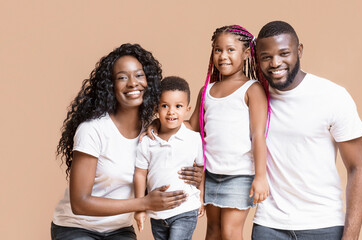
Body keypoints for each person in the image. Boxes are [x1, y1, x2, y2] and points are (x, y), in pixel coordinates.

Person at [51, 43, 200, 240]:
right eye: (122, 77)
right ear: (110, 86)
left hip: (119, 229)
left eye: (139, 75)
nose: (132, 83)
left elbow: (187, 127)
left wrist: (194, 176)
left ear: (149, 81)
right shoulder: (93, 130)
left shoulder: (153, 132)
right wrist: (144, 204)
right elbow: (80, 204)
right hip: (76, 228)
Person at [145, 25, 270, 240]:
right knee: (212, 230)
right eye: (218, 50)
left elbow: (258, 135)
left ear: (247, 53)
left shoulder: (252, 89)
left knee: (231, 232)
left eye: (231, 50)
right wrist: (158, 123)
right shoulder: (207, 91)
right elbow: (192, 126)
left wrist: (260, 176)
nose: (223, 56)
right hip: (211, 174)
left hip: (240, 175)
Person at [250, 20, 362, 240]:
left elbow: (358, 168)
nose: (275, 63)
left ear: (299, 51)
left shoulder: (332, 96)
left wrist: (350, 237)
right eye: (266, 57)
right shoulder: (252, 99)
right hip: (269, 226)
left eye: (284, 53)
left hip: (324, 225)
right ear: (257, 58)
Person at [133, 76, 205, 240]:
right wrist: (140, 206)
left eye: (178, 106)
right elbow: (140, 174)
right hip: (157, 214)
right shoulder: (147, 141)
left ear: (187, 109)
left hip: (185, 210)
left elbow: (201, 168)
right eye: (165, 106)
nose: (171, 111)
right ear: (156, 108)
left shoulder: (193, 139)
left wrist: (201, 197)